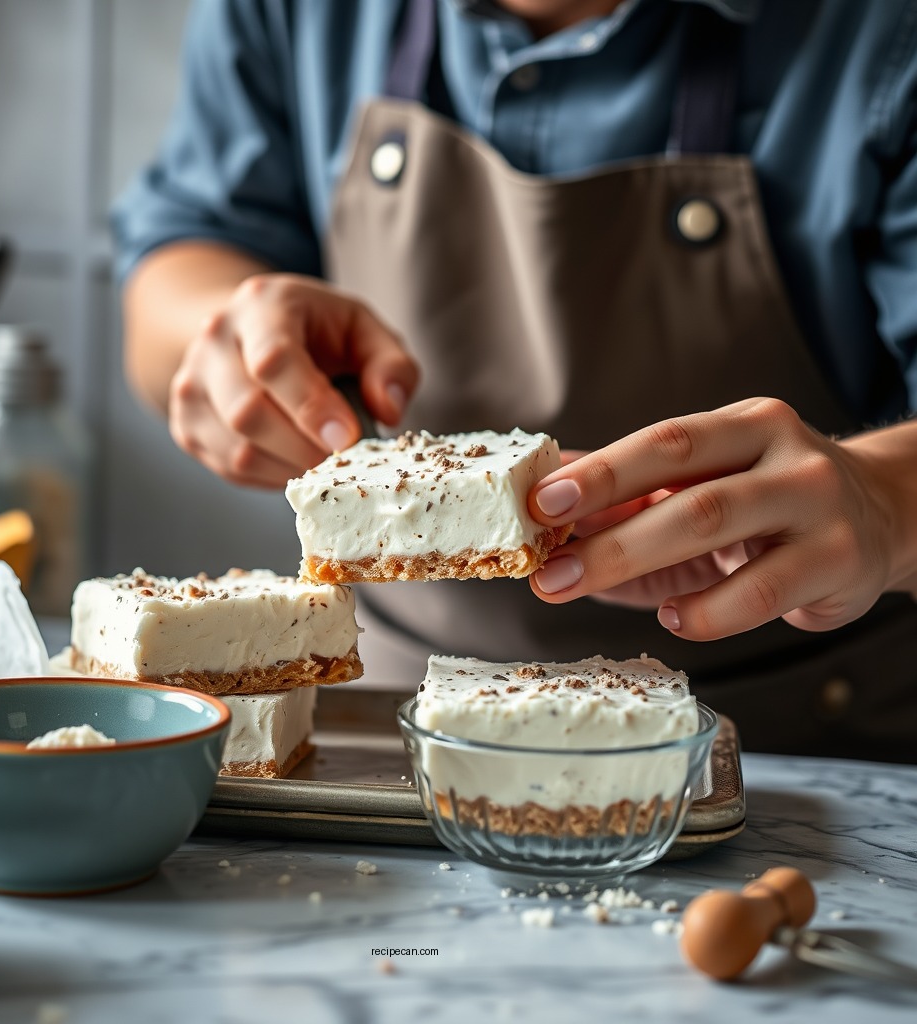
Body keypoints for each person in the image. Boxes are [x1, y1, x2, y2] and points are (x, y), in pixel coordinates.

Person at [112, 0, 917, 762]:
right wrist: (226, 339)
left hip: (807, 747)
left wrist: (881, 502)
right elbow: (183, 250)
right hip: (391, 720)